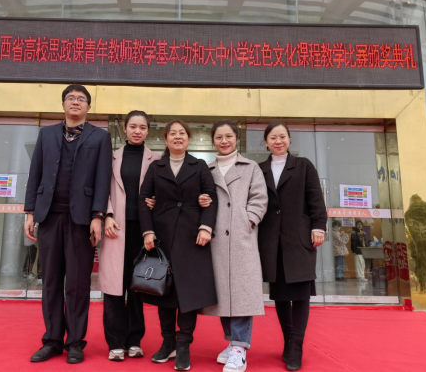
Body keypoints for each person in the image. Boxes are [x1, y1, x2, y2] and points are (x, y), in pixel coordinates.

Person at [24, 84, 112, 364]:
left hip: (81, 219)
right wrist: (30, 212)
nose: (75, 102)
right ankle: (52, 340)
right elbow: (35, 173)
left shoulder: (100, 137)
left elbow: (103, 178)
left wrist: (98, 216)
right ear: (63, 104)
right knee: (50, 281)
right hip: (49, 216)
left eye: (81, 99)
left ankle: (75, 342)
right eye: (70, 98)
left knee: (77, 282)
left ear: (88, 107)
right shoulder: (46, 134)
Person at [138, 119, 218, 371]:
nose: (177, 137)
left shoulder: (199, 165)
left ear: (188, 138)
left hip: (192, 237)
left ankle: (183, 345)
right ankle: (168, 342)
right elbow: (143, 199)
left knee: (187, 293)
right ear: (165, 139)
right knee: (163, 291)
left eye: (182, 133)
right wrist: (148, 231)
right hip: (162, 236)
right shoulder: (156, 166)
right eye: (172, 133)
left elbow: (211, 197)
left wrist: (206, 227)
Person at [199, 120, 268, 372]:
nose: (224, 141)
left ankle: (239, 347)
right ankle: (232, 342)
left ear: (237, 139)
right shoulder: (206, 169)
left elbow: (259, 198)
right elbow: (200, 198)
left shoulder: (251, 167)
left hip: (241, 239)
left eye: (229, 136)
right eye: (219, 137)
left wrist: (248, 219)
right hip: (216, 239)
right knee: (223, 294)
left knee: (242, 293)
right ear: (213, 141)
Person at [257, 122, 327, 372]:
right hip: (270, 240)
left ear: (289, 139)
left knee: (300, 294)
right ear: (266, 142)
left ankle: (296, 345)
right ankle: (288, 340)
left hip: (298, 238)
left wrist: (318, 226)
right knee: (280, 294)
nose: (278, 141)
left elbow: (315, 198)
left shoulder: (303, 165)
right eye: (273, 137)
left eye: (282, 136)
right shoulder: (259, 169)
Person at [99, 111, 161, 361]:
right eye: (133, 126)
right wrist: (107, 215)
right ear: (124, 129)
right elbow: (102, 188)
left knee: (137, 287)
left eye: (142, 127)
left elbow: (164, 193)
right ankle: (115, 342)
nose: (137, 131)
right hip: (116, 228)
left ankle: (134, 340)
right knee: (114, 287)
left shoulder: (157, 159)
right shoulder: (111, 158)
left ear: (148, 131)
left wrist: (157, 202)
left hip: (144, 230)